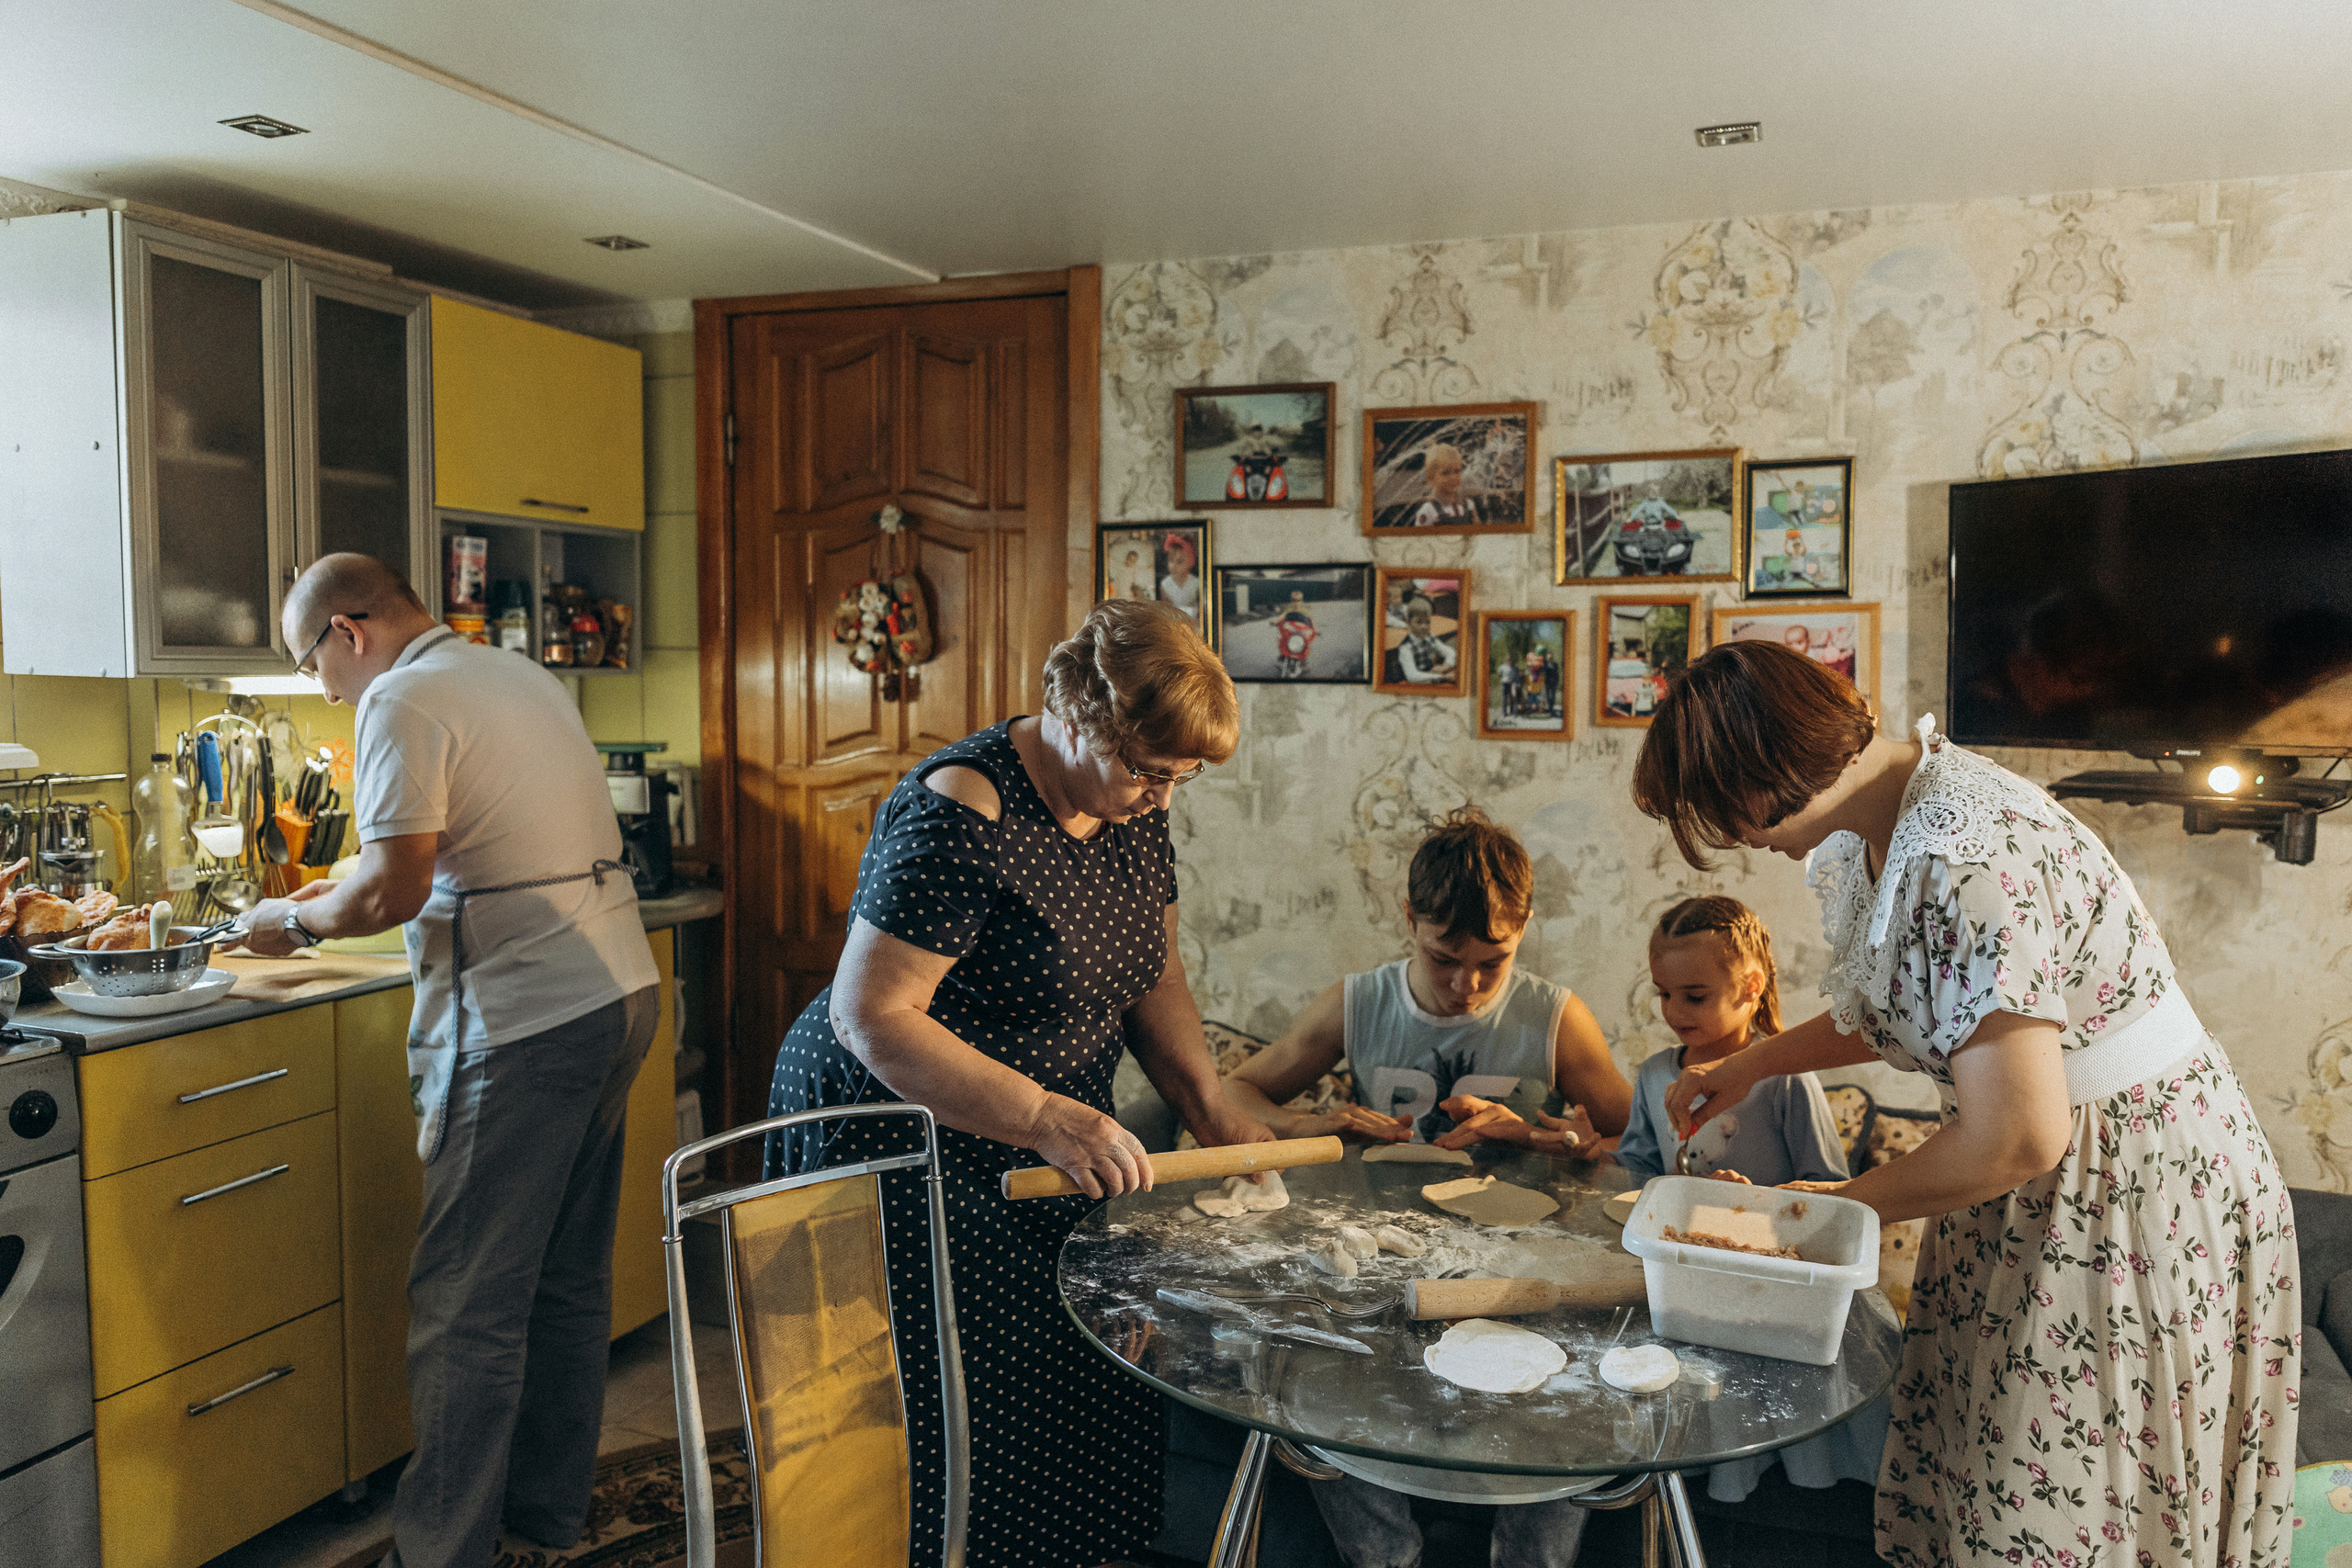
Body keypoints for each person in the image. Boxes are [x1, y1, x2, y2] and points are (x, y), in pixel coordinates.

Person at [1634, 640, 2301, 1568]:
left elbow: (2019, 1134)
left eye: (1721, 813)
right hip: (2036, 1180)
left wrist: (1820, 1214)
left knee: (2052, 1516)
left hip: (2122, 1190)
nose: (1736, 841)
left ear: (1765, 775)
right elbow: (1918, 1001)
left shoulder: (1961, 856)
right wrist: (1753, 1063)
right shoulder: (1889, 817)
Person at [763, 599, 1270, 1567]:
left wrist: (1208, 1105)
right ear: (1079, 717)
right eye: (1149, 772)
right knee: (954, 1396)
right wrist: (1041, 1115)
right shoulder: (964, 806)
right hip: (904, 1128)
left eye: (1181, 779)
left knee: (1092, 1357)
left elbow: (1153, 968)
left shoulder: (1131, 809)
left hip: (1043, 1129)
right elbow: (872, 1015)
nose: (1162, 798)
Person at [236, 554, 661, 1568]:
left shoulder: (400, 701)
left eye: (311, 664)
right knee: (564, 1279)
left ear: (349, 632)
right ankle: (545, 1513)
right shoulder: (509, 671)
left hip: (525, 1021)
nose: (322, 689)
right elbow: (448, 845)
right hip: (617, 993)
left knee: (466, 1306)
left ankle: (440, 1553)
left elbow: (393, 891)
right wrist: (333, 886)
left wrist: (290, 922)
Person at [1221, 808, 1630, 1568]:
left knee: (1578, 1400)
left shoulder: (1555, 1017)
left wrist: (1544, 1137)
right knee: (1303, 1374)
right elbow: (1235, 1091)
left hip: (1521, 1266)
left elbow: (1635, 1145)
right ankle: (1387, 1556)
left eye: (1492, 962)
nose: (1465, 984)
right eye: (1444, 958)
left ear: (1524, 927)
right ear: (1408, 918)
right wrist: (1317, 1119)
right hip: (1383, 1261)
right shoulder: (1359, 1002)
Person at [1612, 895, 1880, 1503]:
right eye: (1663, 993)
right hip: (1690, 1279)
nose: (1673, 1011)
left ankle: (1786, 1479)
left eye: (1694, 995)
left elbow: (1829, 1184)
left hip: (1774, 1286)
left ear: (1751, 987)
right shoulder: (1654, 1075)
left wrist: (1756, 1203)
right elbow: (1638, 1168)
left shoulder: (1786, 1078)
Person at [1395, 596, 1455, 684]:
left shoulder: (1429, 638)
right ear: (1409, 622)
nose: (1424, 626)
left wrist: (1446, 665)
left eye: (1427, 622)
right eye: (1419, 622)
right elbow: (1412, 676)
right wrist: (1441, 677)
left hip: (1429, 678)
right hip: (1411, 684)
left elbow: (1450, 652)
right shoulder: (1406, 647)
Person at [1159, 532, 1201, 627]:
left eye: (1179, 562)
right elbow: (1165, 609)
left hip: (1193, 623)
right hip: (1174, 624)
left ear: (1190, 562)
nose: (1174, 565)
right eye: (1171, 560)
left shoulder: (1196, 583)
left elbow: (1201, 608)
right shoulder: (1165, 584)